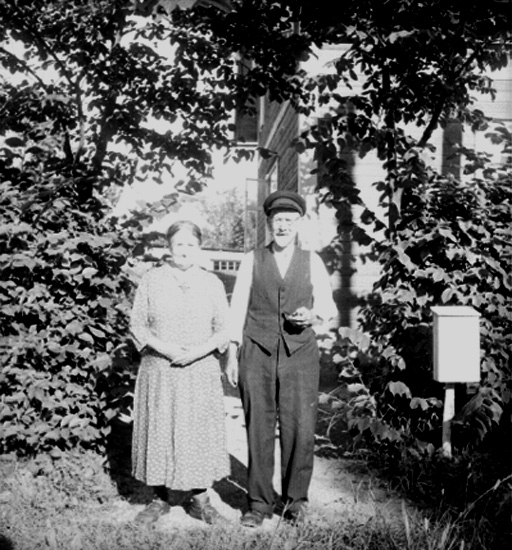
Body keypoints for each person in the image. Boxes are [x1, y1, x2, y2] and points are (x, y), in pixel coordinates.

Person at [226, 190, 337, 527]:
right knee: (258, 428)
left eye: (290, 220)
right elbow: (237, 308)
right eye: (278, 220)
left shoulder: (312, 261)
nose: (284, 226)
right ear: (269, 224)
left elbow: (328, 307)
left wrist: (312, 316)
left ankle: (295, 503)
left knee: (300, 429)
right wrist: (232, 354)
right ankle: (258, 504)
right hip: (257, 352)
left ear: (299, 224)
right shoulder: (252, 260)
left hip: (300, 354)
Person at [130, 220, 230, 525]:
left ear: (199, 248)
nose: (184, 250)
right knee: (160, 429)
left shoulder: (212, 282)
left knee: (197, 431)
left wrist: (197, 351)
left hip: (199, 369)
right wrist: (166, 349)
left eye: (190, 244)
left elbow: (223, 329)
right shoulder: (152, 280)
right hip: (160, 368)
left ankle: (200, 501)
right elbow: (137, 325)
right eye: (179, 244)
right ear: (169, 247)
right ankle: (159, 499)